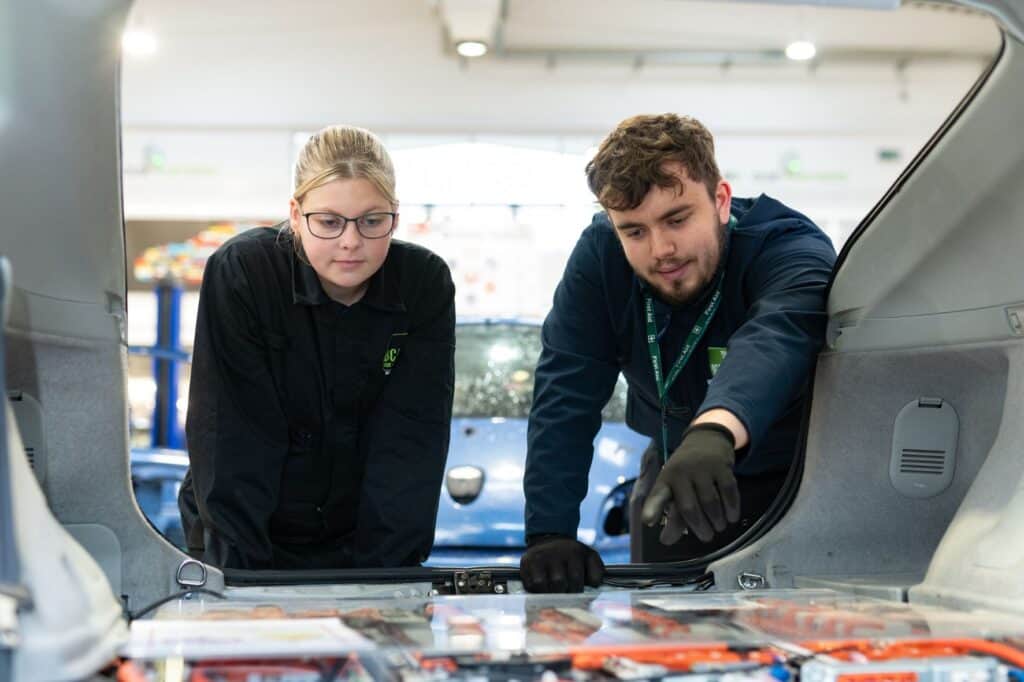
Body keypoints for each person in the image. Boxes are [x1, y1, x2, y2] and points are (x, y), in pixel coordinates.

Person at [520, 113, 836, 592]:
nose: (661, 249)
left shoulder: (788, 247)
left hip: (793, 485)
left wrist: (715, 430)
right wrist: (548, 531)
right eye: (635, 231)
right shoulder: (601, 259)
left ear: (721, 200)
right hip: (673, 480)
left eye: (677, 219)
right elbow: (566, 389)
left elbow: (779, 333)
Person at [177, 125, 456, 570]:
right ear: (295, 213)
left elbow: (411, 441)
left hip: (357, 533)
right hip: (244, 531)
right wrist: (240, 583)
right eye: (328, 222)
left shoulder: (423, 283)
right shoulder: (245, 273)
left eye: (372, 221)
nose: (351, 241)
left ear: (395, 217)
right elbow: (228, 436)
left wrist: (389, 584)